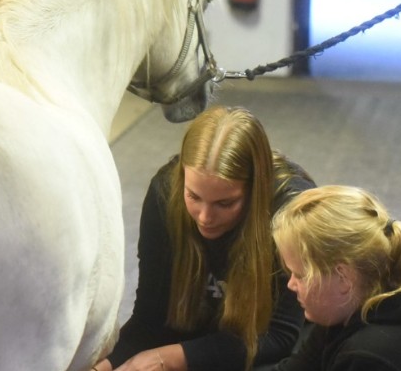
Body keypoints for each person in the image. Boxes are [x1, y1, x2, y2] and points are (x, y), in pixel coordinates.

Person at [97, 105, 315, 371]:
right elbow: (150, 318)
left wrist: (170, 357)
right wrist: (105, 366)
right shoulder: (165, 194)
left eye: (225, 203)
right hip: (198, 335)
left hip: (268, 350)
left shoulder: (290, 208)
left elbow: (280, 336)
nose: (204, 217)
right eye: (194, 197)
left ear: (255, 188)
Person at [270, 185, 401, 371]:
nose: (291, 284)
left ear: (343, 278)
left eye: (300, 275)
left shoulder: (372, 354)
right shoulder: (355, 307)